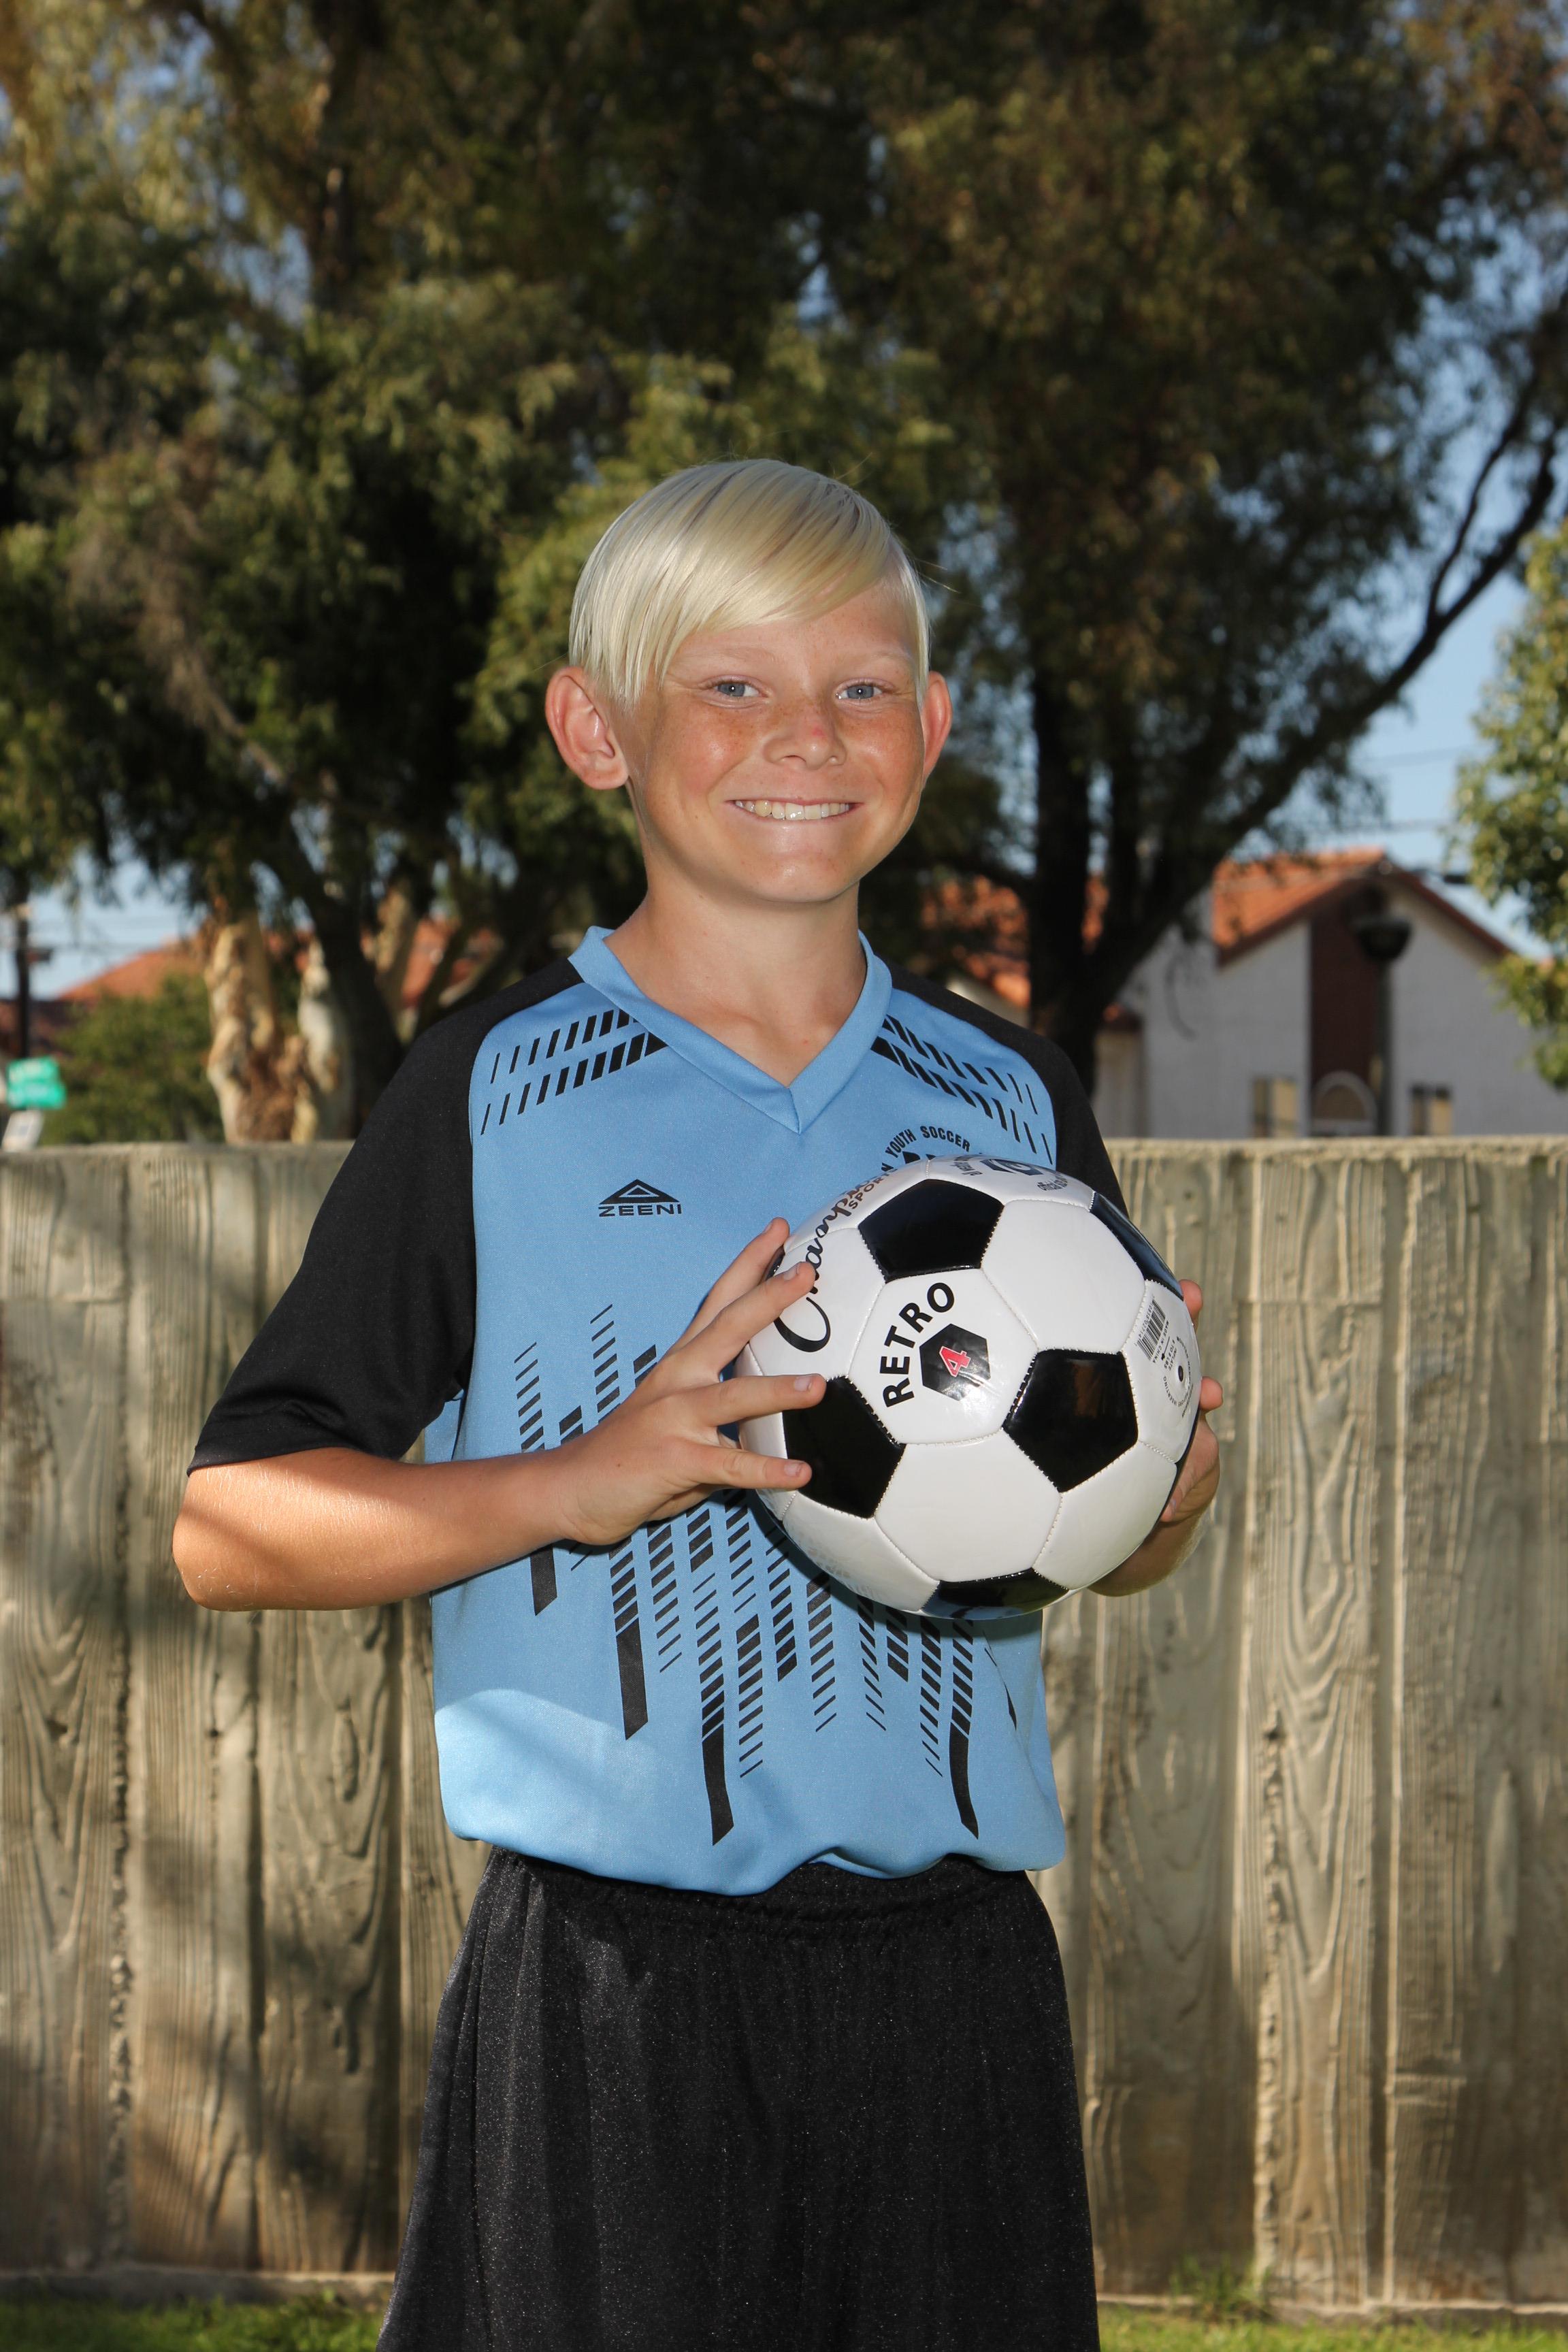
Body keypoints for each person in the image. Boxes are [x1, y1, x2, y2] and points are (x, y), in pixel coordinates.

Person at [174, 460, 1222, 2352]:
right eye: (732, 685)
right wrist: (574, 1482)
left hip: (959, 1990)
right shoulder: (489, 1088)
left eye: (861, 687)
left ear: (932, 728)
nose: (805, 735)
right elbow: (228, 1524)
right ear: (600, 730)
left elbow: (1086, 1547)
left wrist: (1165, 1501)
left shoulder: (1013, 1102)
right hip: (610, 1990)